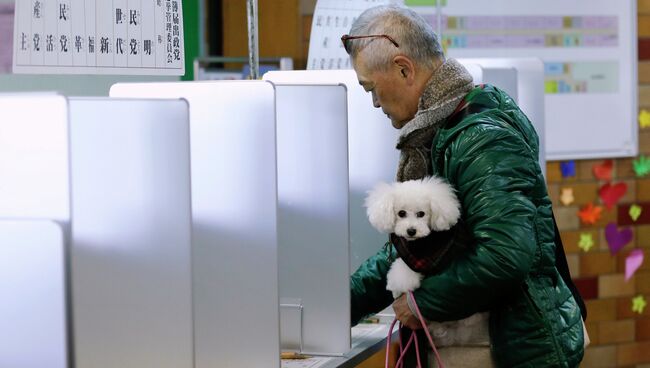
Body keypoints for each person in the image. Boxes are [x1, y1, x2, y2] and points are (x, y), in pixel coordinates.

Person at [343, 5, 585, 368]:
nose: (375, 102)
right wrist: (341, 303)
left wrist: (422, 302)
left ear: (404, 68)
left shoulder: (480, 139)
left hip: (506, 347)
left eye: (372, 89)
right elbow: (418, 247)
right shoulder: (443, 131)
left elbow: (505, 257)